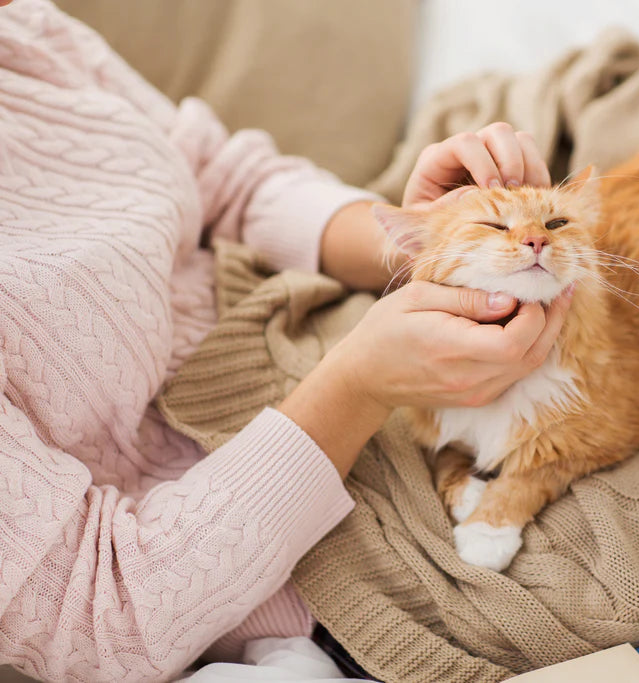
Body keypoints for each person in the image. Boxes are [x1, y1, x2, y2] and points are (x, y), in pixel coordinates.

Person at [0, 0, 572, 680]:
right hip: (309, 558)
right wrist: (357, 387)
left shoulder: (22, 32)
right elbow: (104, 619)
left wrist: (417, 237)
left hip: (321, 319)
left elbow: (226, 180)